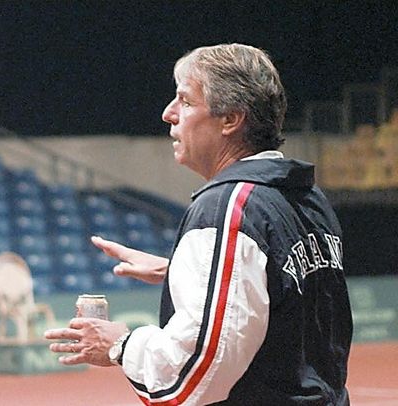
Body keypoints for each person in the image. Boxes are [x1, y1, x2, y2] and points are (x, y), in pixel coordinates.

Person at [45, 43, 352, 405]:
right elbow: (279, 290)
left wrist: (119, 345)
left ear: (230, 120)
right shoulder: (305, 197)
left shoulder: (228, 206)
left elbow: (193, 374)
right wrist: (178, 271)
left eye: (186, 101)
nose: (168, 113)